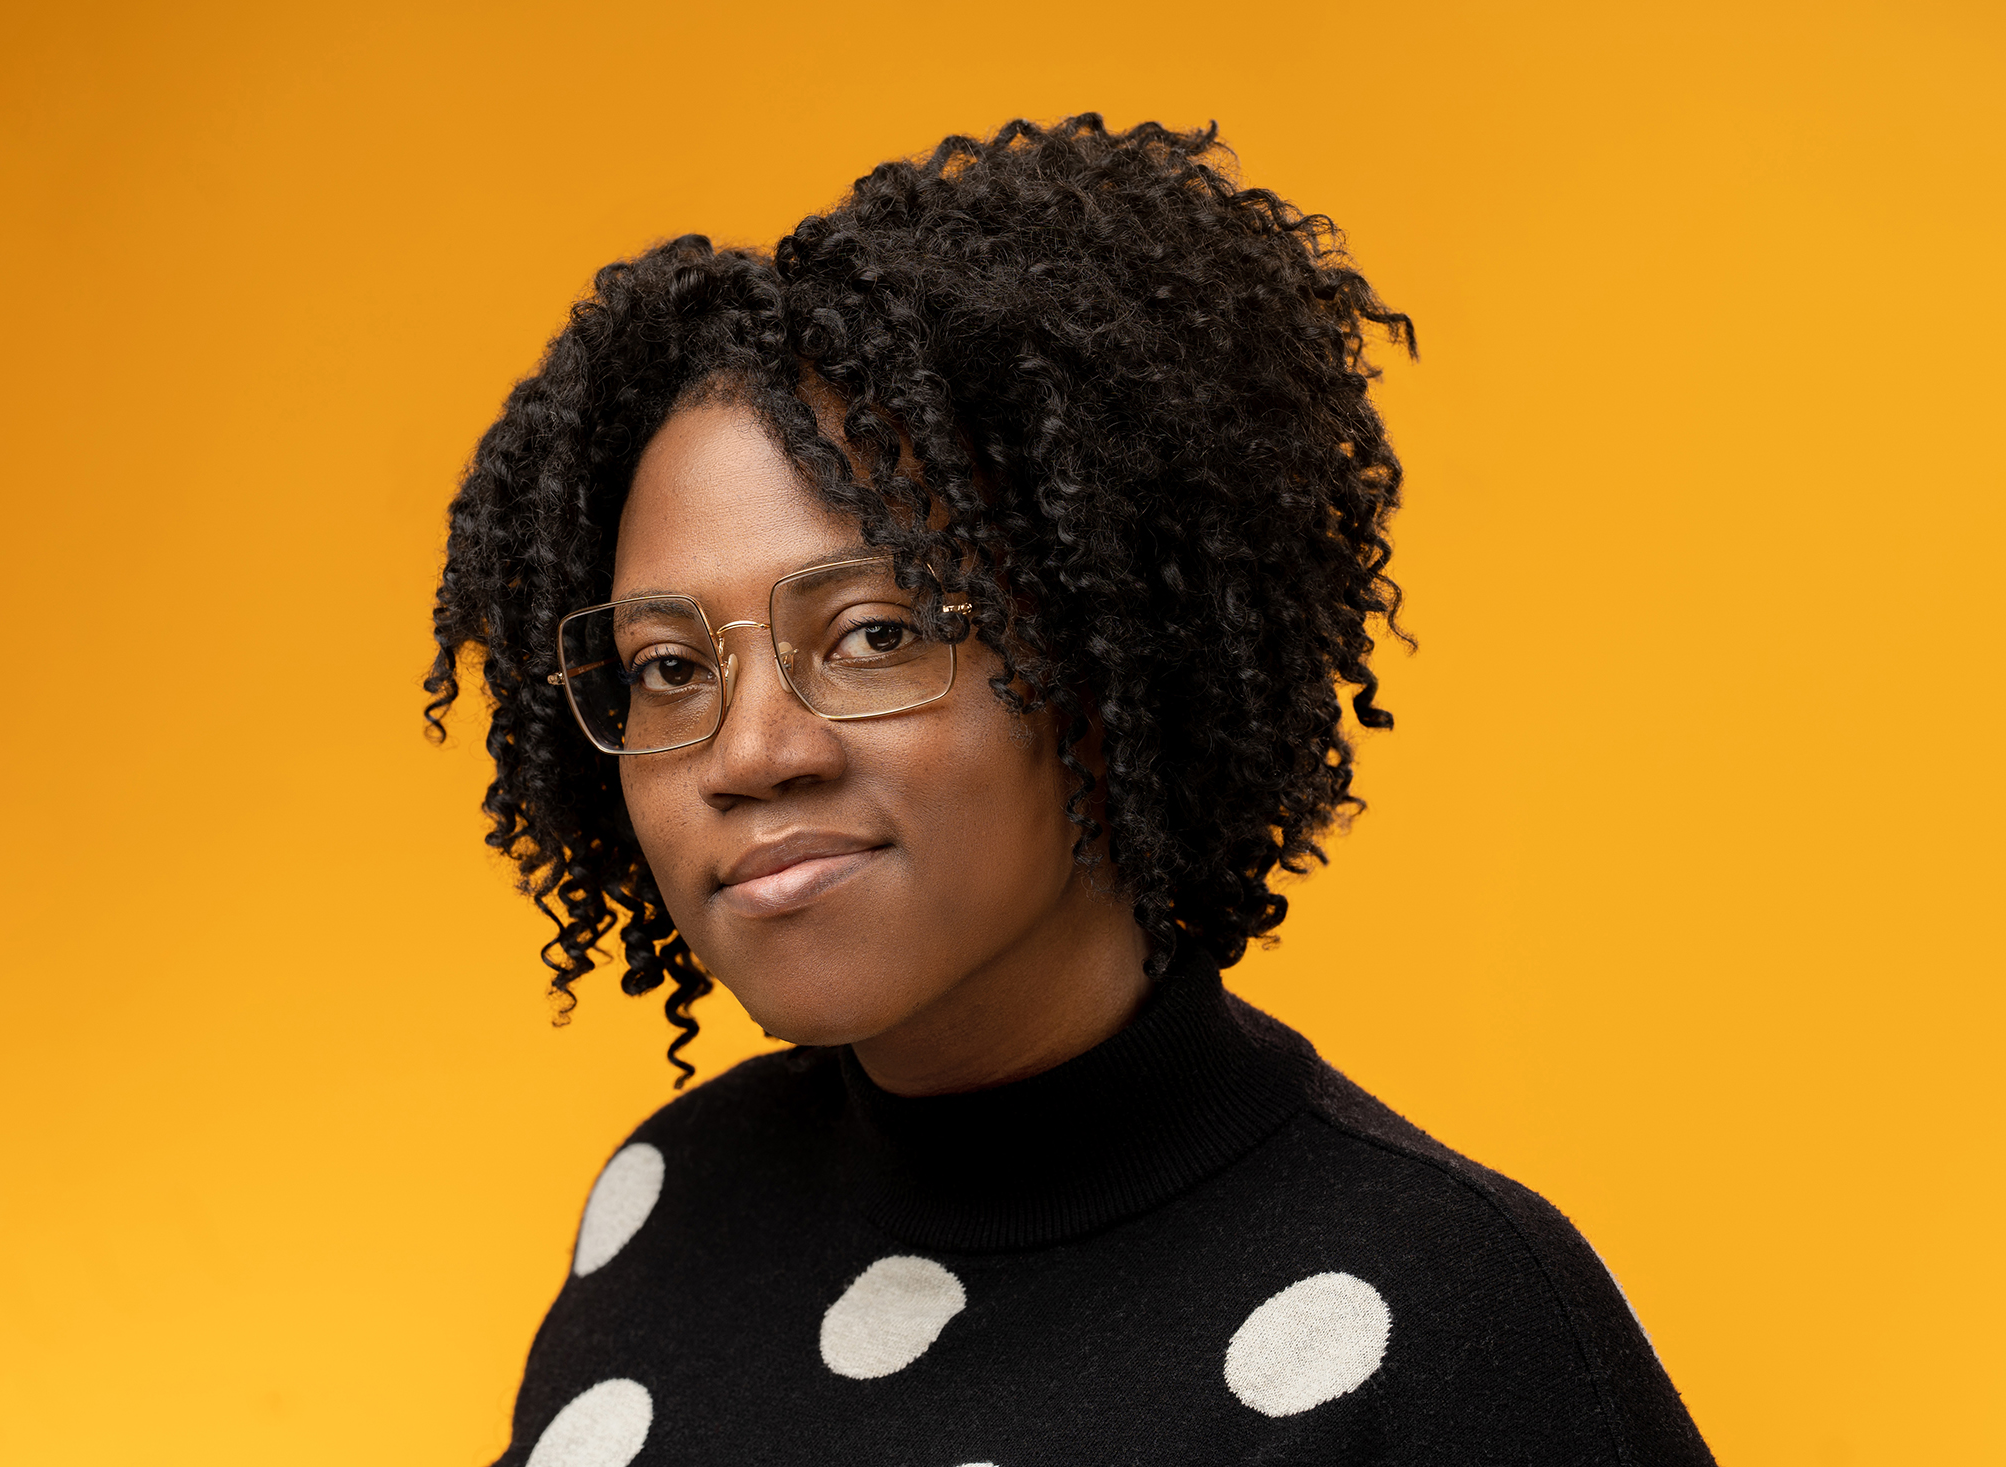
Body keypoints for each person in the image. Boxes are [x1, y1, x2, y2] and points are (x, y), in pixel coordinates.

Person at [425, 114, 1713, 1467]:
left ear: (1109, 662)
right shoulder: (669, 1209)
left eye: (877, 634)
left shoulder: (1449, 1316)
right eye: (671, 666)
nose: (751, 754)